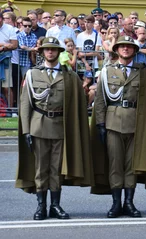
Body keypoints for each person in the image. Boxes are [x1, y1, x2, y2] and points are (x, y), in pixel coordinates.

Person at [91, 36, 146, 218]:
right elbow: (101, 99)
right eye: (122, 46)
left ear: (135, 50)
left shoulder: (143, 71)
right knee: (115, 164)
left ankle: (129, 202)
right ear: (116, 50)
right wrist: (100, 123)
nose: (125, 49)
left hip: (136, 123)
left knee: (131, 166)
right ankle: (116, 203)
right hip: (113, 122)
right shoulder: (107, 71)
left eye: (129, 47)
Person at [17, 37, 93, 220]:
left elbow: (78, 102)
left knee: (56, 168)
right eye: (47, 49)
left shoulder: (70, 76)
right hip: (39, 124)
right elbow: (25, 104)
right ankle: (41, 206)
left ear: (59, 52)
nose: (50, 52)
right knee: (41, 167)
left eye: (53, 49)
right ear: (42, 52)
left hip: (60, 125)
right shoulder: (32, 74)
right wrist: (26, 130)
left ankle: (55, 205)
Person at [0, 11, 18, 109]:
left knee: (6, 87)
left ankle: (10, 110)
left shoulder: (9, 28)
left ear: (1, 19)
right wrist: (4, 44)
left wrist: (3, 47)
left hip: (5, 60)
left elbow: (14, 45)